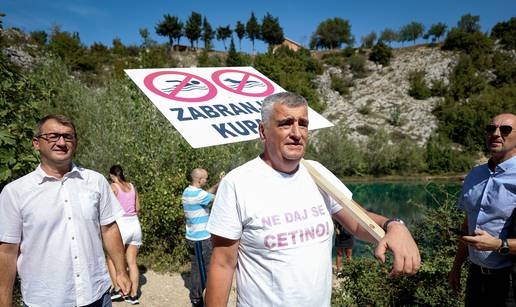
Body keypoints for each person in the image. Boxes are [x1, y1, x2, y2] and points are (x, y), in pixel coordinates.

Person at [205, 92, 420, 307]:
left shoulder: (317, 173)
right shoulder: (237, 183)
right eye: (286, 124)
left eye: (303, 124)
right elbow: (223, 265)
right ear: (263, 131)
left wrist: (394, 226)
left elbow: (357, 221)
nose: (297, 133)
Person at [0, 114, 130, 307]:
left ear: (75, 143)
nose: (61, 142)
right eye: (53, 136)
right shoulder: (15, 192)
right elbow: (7, 251)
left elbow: (109, 228)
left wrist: (121, 271)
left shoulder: (95, 181)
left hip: (96, 295)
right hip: (44, 300)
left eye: (68, 137)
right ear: (36, 143)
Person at [448, 113, 516, 306]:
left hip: (509, 281)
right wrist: (456, 267)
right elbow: (468, 224)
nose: (496, 134)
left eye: (505, 130)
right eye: (491, 128)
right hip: (476, 277)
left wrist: (497, 245)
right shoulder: (475, 175)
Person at [182, 168, 223, 307]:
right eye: (205, 178)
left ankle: (196, 296)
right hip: (201, 239)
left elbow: (207, 193)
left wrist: (218, 183)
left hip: (192, 237)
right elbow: (218, 198)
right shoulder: (198, 195)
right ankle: (201, 299)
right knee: (205, 270)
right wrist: (223, 184)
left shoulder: (189, 191)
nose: (207, 180)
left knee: (196, 268)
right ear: (200, 180)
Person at [106, 165, 142, 305]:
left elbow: (106, 207)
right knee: (132, 262)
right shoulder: (132, 186)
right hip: (135, 224)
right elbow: (138, 208)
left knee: (110, 258)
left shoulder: (113, 187)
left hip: (121, 225)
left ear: (111, 175)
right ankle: (133, 295)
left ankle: (117, 289)